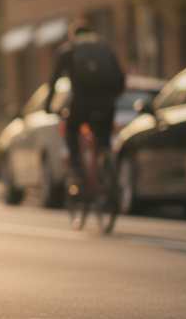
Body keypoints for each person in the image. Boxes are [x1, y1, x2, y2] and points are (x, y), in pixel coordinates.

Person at [44, 19, 125, 191]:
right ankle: (107, 166)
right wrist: (112, 97)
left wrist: (48, 105)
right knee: (104, 139)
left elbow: (53, 81)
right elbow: (121, 79)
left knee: (71, 130)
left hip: (82, 104)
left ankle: (77, 169)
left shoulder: (69, 51)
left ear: (74, 36)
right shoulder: (105, 49)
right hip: (107, 105)